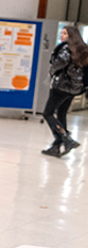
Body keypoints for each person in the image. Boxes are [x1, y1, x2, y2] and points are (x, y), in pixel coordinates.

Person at [40, 24, 88, 157]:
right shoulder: (82, 49)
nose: (62, 36)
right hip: (75, 88)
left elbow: (59, 62)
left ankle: (67, 138)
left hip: (62, 86)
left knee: (48, 113)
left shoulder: (66, 48)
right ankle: (57, 146)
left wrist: (52, 71)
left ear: (71, 36)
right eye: (62, 33)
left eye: (65, 34)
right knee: (61, 113)